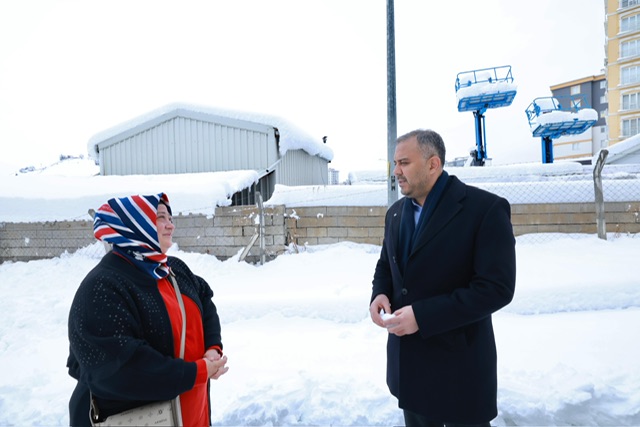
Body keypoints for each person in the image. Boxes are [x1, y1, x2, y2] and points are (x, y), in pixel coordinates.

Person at [369, 129, 516, 427]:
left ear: (433, 164)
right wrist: (380, 292)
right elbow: (387, 263)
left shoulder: (484, 209)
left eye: (404, 163)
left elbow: (496, 288)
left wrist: (422, 316)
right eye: (395, 163)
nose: (396, 171)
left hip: (459, 371)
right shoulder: (395, 213)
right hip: (410, 368)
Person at [67, 193, 229, 426]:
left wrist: (212, 347)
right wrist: (196, 373)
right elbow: (122, 368)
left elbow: (203, 298)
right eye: (160, 217)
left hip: (193, 415)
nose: (170, 225)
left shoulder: (173, 269)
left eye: (170, 218)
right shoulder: (102, 287)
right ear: (136, 224)